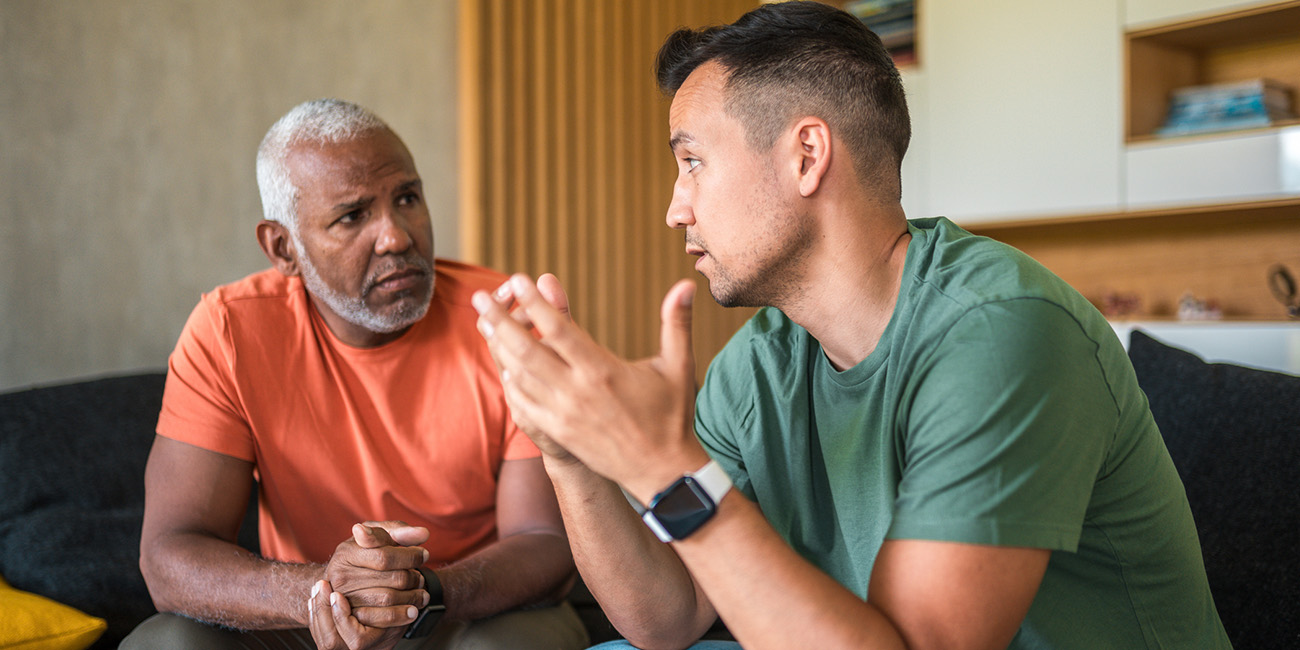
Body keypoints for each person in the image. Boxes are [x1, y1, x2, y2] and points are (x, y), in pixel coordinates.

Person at [470, 3, 1231, 649]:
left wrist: (665, 470)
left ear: (807, 155)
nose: (676, 207)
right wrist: (569, 453)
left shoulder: (1000, 333)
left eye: (693, 161)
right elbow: (668, 614)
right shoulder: (762, 362)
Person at [123, 99, 587, 650]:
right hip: (306, 620)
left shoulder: (505, 319)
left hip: (462, 613)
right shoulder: (227, 331)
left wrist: (416, 594)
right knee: (166, 643)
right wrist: (325, 593)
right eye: (352, 216)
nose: (396, 236)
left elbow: (544, 541)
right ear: (283, 247)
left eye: (408, 199)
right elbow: (169, 555)